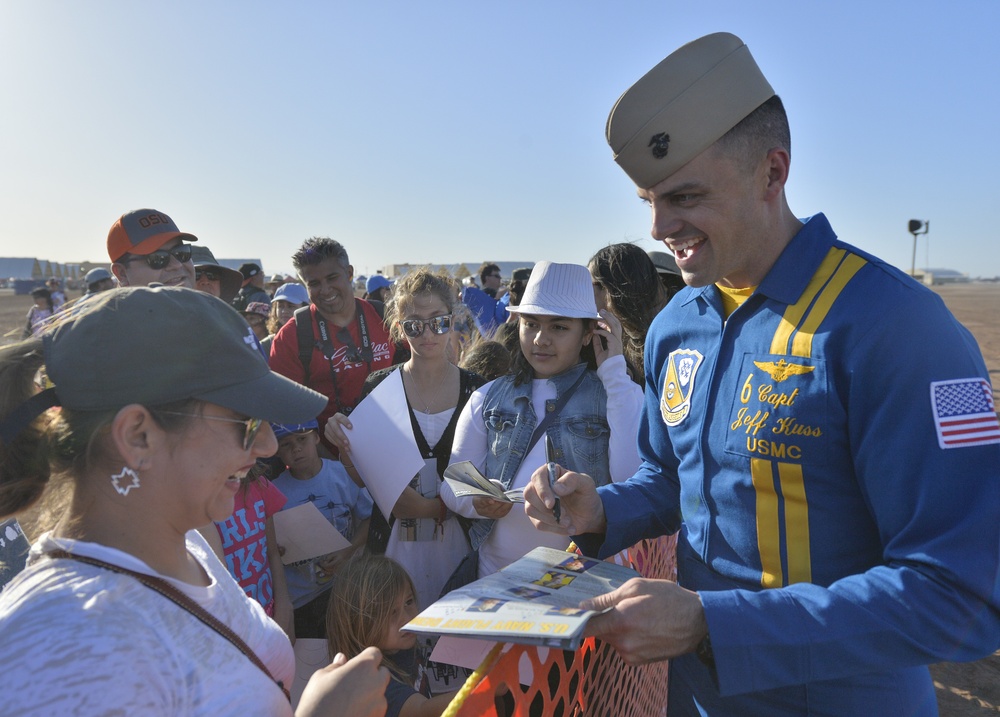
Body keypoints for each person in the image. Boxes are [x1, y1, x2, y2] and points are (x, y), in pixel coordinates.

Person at [524, 32, 1000, 716]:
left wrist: (714, 624)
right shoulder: (674, 326)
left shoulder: (901, 327)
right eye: (649, 199)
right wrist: (602, 508)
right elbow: (671, 477)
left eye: (684, 196)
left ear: (772, 173)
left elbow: (961, 594)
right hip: (698, 694)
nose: (660, 226)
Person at [0, 286, 389, 716]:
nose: (265, 445)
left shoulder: (186, 548)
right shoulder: (58, 648)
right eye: (246, 421)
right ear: (138, 437)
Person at [443, 261, 643, 579]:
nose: (540, 339)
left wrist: (614, 370)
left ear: (588, 332)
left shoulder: (615, 395)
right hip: (495, 579)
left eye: (558, 327)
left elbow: (633, 480)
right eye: (531, 324)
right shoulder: (488, 396)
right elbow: (453, 483)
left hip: (585, 583)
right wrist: (477, 501)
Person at [325, 268, 483, 612]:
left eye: (437, 322)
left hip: (458, 547)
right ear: (399, 327)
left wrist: (434, 508)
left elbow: (484, 481)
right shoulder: (378, 387)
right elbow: (362, 477)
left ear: (452, 320)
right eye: (414, 325)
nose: (427, 334)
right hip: (394, 548)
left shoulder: (478, 389)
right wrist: (345, 446)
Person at [269, 237, 395, 454]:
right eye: (314, 283)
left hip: (394, 448)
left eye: (332, 277)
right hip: (329, 462)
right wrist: (332, 467)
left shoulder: (387, 318)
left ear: (349, 273)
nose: (325, 290)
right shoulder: (290, 337)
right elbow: (284, 415)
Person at [272, 420, 372, 639]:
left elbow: (370, 519)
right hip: (301, 600)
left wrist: (347, 551)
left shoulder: (343, 475)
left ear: (316, 437)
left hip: (344, 589)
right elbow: (270, 548)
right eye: (286, 444)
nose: (296, 449)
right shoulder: (274, 492)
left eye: (302, 439)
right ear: (276, 451)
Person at [326, 556, 457, 717]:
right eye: (391, 612)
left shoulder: (404, 647)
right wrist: (485, 685)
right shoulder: (374, 680)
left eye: (408, 602)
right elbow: (422, 710)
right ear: (358, 622)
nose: (406, 617)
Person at [204, 468, 295, 639]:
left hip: (273, 614)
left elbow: (273, 553)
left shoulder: (259, 486)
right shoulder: (196, 506)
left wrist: (284, 608)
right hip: (237, 631)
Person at [588, 243, 669, 380]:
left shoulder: (664, 343)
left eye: (591, 285)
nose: (586, 294)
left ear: (610, 290)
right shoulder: (595, 338)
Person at [107, 208, 197, 288]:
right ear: (122, 274)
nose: (177, 265)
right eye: (158, 258)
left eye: (181, 253)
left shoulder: (208, 305)